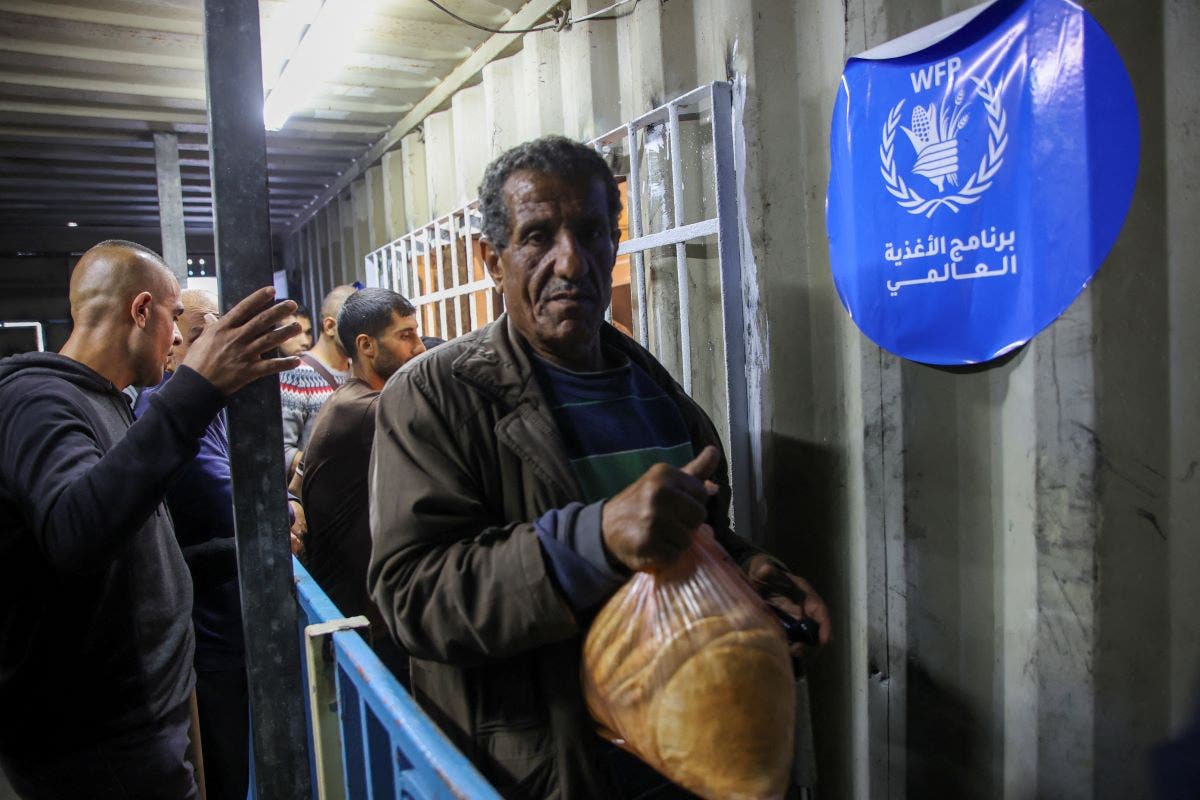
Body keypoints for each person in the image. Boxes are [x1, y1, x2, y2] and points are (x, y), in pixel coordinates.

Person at [367, 137, 831, 799]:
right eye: (537, 236)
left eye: (591, 232)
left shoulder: (652, 385)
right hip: (561, 771)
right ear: (490, 259)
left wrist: (755, 573)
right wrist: (596, 538)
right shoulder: (435, 397)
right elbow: (414, 597)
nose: (570, 261)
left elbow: (695, 537)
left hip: (699, 757)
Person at [0, 240, 299, 798]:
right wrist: (195, 391)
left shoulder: (108, 402)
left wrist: (236, 552)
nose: (180, 339)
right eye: (173, 320)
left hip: (139, 722)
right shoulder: (36, 401)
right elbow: (77, 532)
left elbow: (125, 539)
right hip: (96, 742)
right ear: (141, 311)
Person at [132, 289, 248, 800]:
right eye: (198, 335)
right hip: (209, 630)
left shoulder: (215, 402)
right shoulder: (164, 406)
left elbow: (245, 479)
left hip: (229, 617)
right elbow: (227, 494)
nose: (209, 348)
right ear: (174, 343)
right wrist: (284, 507)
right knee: (225, 763)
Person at [300, 288, 425, 680]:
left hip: (362, 617)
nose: (419, 347)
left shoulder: (351, 399)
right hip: (364, 629)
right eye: (405, 336)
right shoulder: (365, 411)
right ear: (366, 345)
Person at [280, 285, 355, 481]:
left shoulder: (358, 369)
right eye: (355, 327)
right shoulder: (295, 374)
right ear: (330, 326)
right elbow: (283, 451)